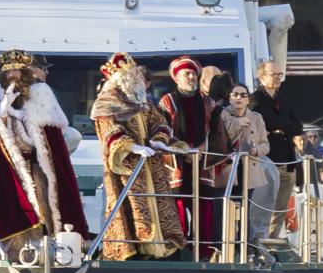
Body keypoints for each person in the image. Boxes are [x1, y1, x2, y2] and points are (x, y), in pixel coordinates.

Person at [90, 52, 188, 260]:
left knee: (160, 206)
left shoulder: (143, 101)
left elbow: (159, 122)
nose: (137, 79)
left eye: (138, 75)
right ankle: (136, 250)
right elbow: (109, 130)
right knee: (136, 208)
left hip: (152, 164)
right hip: (128, 167)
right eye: (132, 76)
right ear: (121, 79)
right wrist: (132, 147)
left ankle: (162, 249)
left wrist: (159, 139)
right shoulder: (105, 103)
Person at [0, 51, 89, 243]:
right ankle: (20, 247)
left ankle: (48, 242)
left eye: (17, 71)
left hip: (36, 162)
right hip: (11, 164)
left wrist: (21, 116)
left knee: (44, 202)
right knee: (16, 205)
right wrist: (3, 110)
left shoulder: (39, 93)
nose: (12, 76)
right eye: (8, 72)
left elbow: (48, 133)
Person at [158, 56, 228, 252]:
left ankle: (204, 252)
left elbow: (218, 132)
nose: (190, 77)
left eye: (193, 73)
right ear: (177, 78)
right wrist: (180, 149)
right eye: (186, 74)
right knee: (177, 208)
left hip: (202, 162)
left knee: (203, 210)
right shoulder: (167, 101)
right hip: (176, 164)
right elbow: (161, 130)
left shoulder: (209, 103)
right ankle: (177, 251)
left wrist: (203, 149)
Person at [251, 61, 301, 239]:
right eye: (275, 75)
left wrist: (280, 128)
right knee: (264, 208)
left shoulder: (284, 100)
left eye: (280, 75)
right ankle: (260, 244)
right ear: (262, 76)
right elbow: (267, 123)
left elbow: (298, 126)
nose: (279, 79)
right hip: (268, 162)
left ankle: (272, 242)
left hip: (288, 161)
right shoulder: (254, 99)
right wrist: (282, 127)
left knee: (280, 210)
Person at [221, 82, 273, 249]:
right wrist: (238, 123)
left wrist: (256, 149)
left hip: (249, 168)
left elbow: (266, 144)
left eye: (243, 95)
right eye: (235, 94)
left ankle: (245, 245)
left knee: (246, 208)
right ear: (229, 98)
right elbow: (218, 138)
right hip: (228, 168)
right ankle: (227, 244)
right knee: (227, 207)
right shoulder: (222, 115)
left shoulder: (257, 118)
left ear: (248, 99)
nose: (239, 98)